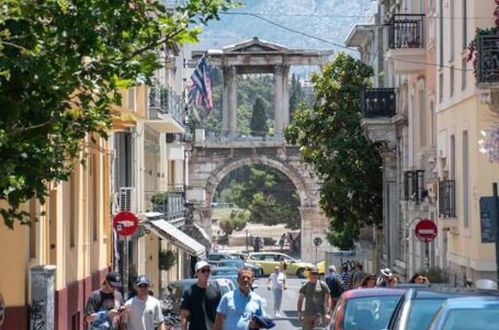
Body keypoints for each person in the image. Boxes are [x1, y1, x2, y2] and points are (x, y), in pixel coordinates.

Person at [181, 261, 221, 330]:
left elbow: (220, 314)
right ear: (197, 273)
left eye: (208, 270)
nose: (206, 273)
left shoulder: (216, 292)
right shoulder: (189, 292)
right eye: (203, 271)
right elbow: (184, 315)